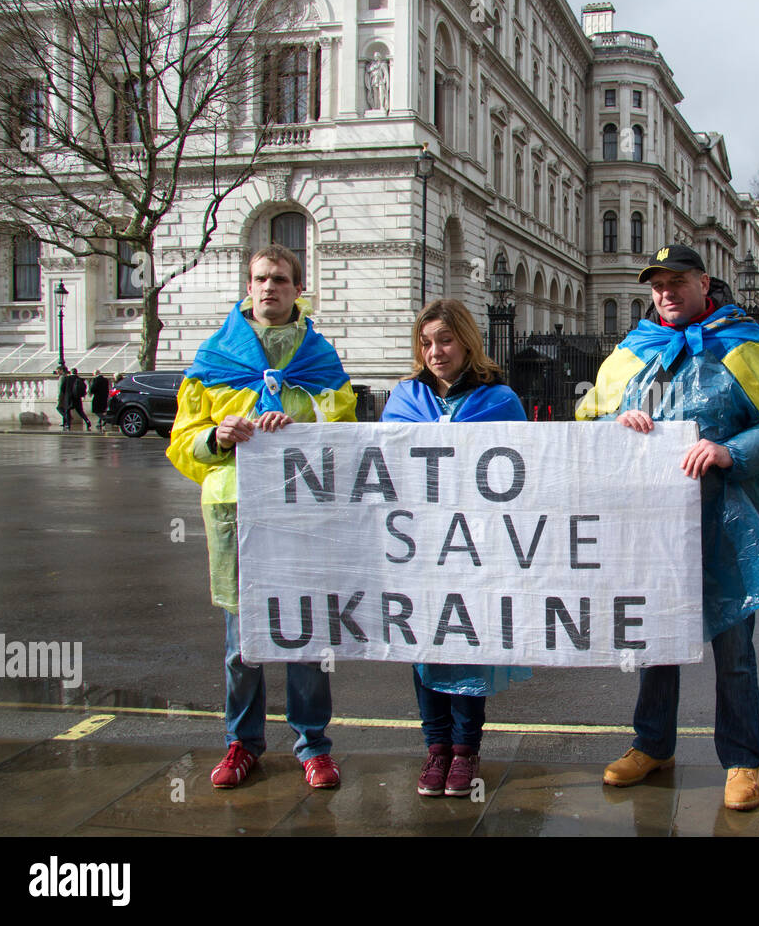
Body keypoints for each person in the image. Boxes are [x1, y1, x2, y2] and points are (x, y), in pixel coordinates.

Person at [576, 244, 759, 811]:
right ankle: (652, 744)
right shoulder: (634, 351)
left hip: (726, 522)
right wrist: (616, 420)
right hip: (653, 526)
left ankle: (742, 760)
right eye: (657, 285)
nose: (666, 293)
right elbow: (586, 417)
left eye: (677, 281)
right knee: (656, 640)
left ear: (703, 282)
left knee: (733, 648)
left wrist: (728, 450)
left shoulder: (745, 343)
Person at [166, 244, 357, 791]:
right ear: (247, 286)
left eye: (280, 279)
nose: (268, 287)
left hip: (303, 512)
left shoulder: (320, 359)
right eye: (259, 278)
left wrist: (298, 425)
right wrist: (215, 436)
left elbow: (342, 434)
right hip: (236, 509)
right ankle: (242, 742)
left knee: (306, 633)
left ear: (300, 288)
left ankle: (314, 745)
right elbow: (182, 441)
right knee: (242, 640)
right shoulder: (214, 357)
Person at [380, 299, 530, 797]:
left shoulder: (500, 399)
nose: (435, 351)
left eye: (444, 340)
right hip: (420, 544)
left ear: (467, 340)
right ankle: (435, 748)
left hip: (477, 546)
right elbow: (382, 468)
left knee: (468, 642)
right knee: (425, 643)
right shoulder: (404, 397)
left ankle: (466, 750)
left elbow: (526, 474)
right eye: (425, 343)